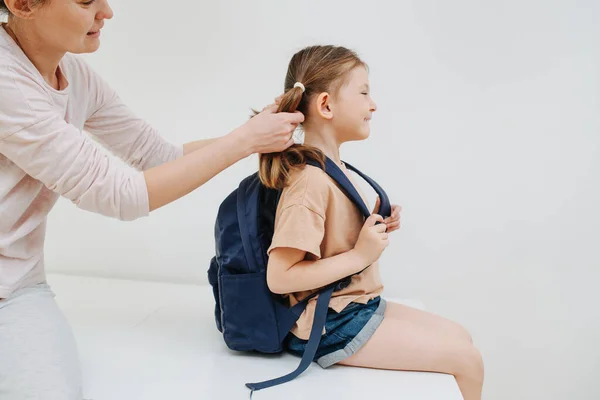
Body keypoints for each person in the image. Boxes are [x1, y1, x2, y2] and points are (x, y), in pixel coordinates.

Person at [0, 0, 303, 398]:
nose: (106, 12)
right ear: (22, 4)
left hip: (17, 289)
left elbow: (157, 157)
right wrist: (245, 141)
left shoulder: (72, 76)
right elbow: (120, 195)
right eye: (86, 1)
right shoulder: (7, 83)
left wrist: (253, 136)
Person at [262, 45, 485, 400]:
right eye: (364, 92)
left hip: (356, 304)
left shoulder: (333, 170)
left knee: (462, 337)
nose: (374, 104)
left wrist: (374, 223)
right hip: (329, 322)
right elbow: (280, 277)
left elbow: (332, 238)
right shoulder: (310, 181)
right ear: (326, 106)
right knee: (468, 360)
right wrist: (359, 255)